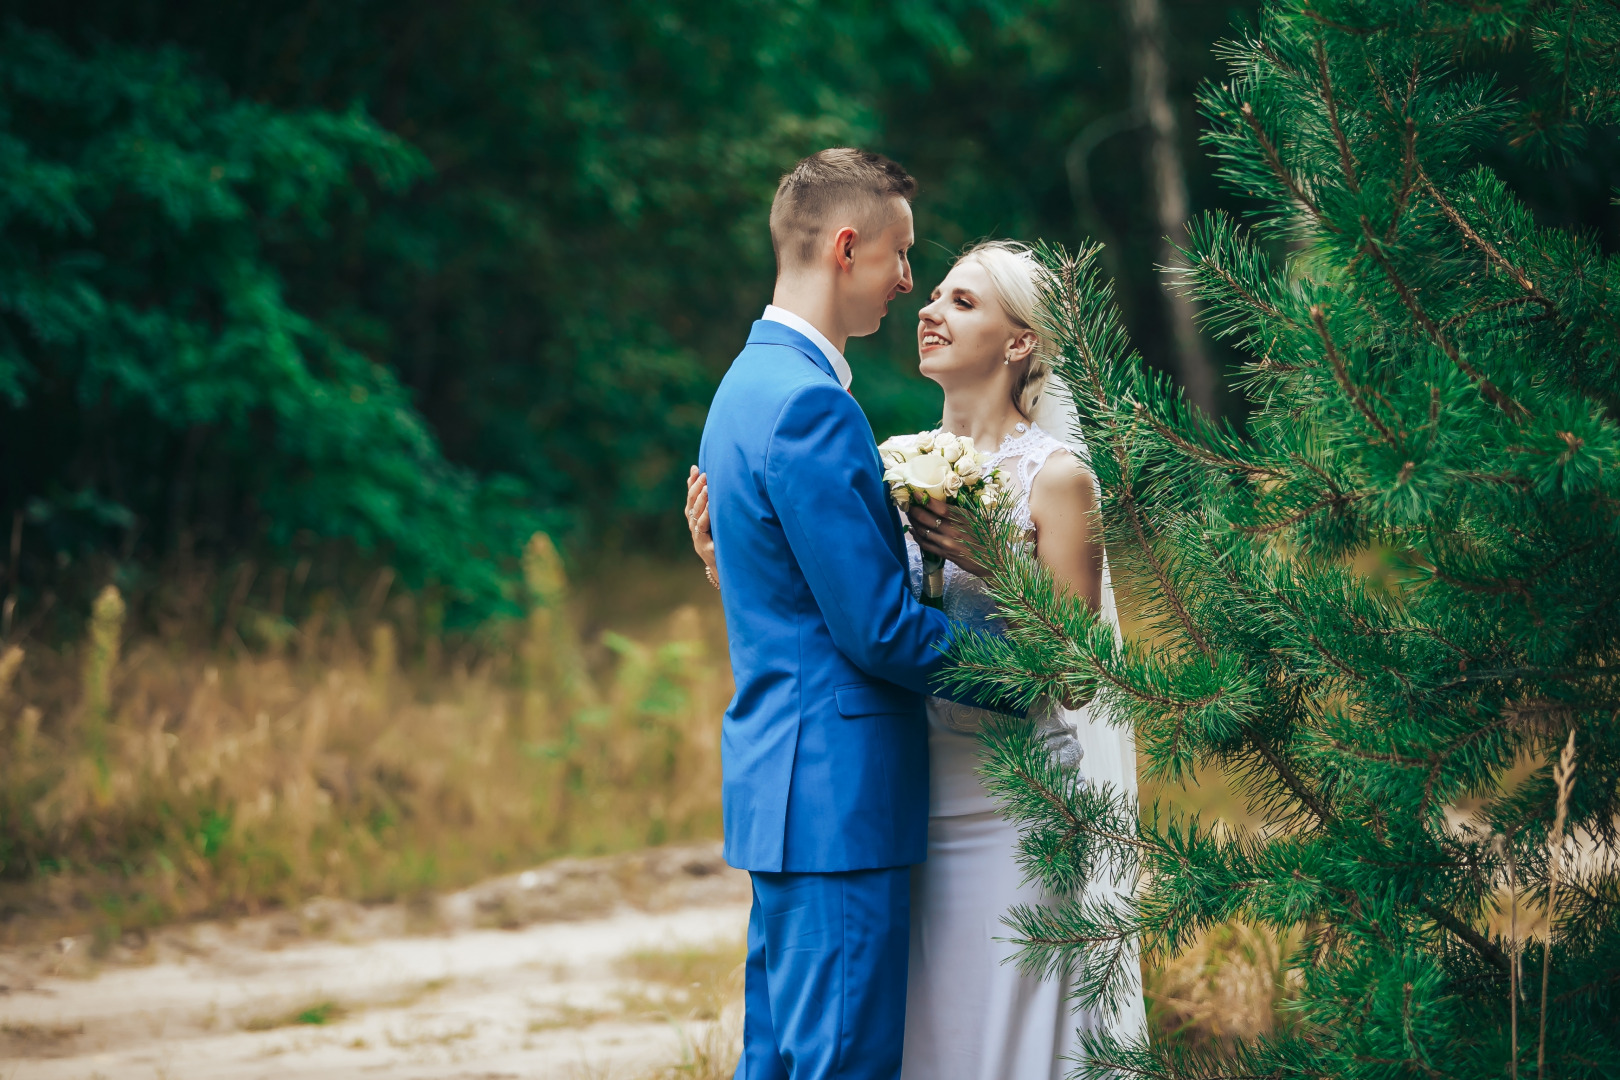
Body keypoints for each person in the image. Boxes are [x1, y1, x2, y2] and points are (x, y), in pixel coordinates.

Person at [688, 239, 1146, 1078]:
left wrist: (993, 562)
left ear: (1020, 343)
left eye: (963, 302)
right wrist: (731, 563)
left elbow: (1081, 674)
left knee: (1003, 1039)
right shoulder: (888, 460)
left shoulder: (1060, 480)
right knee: (918, 1044)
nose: (928, 310)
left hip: (1016, 805)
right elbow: (848, 616)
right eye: (932, 294)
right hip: (904, 792)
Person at [695, 148, 989, 1080]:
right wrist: (1025, 665)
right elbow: (877, 631)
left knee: (779, 1062)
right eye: (902, 256)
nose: (910, 281)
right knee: (843, 1065)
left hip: (786, 787)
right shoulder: (810, 407)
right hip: (837, 793)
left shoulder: (745, 385)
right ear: (848, 248)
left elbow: (781, 589)